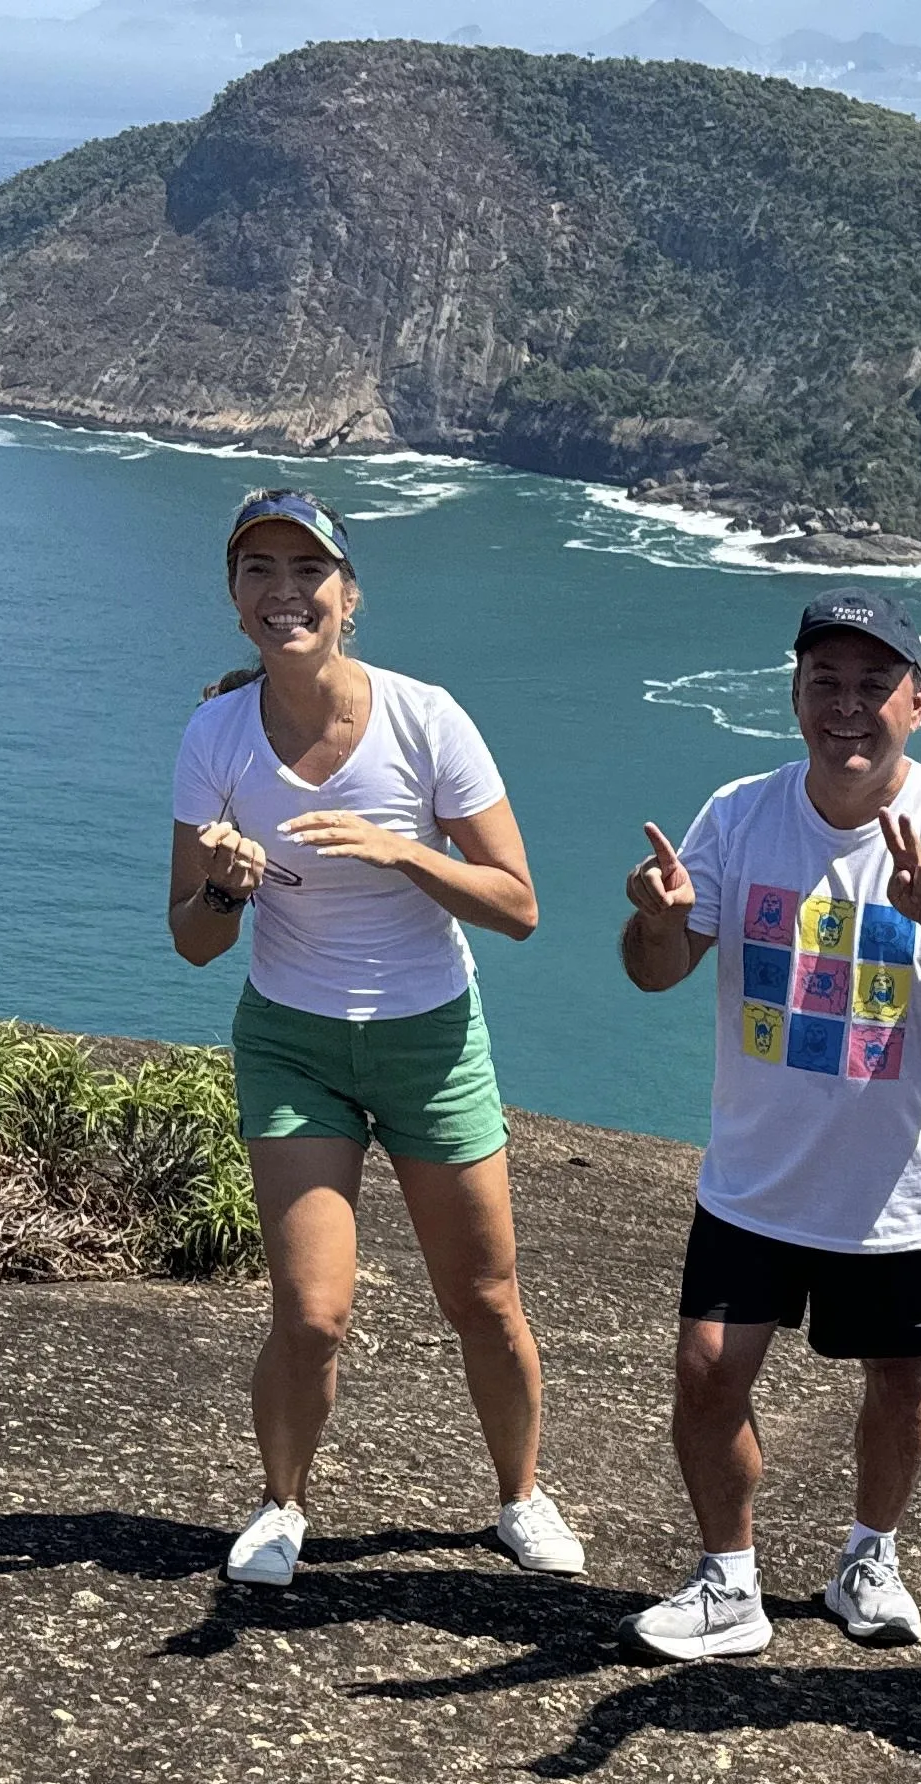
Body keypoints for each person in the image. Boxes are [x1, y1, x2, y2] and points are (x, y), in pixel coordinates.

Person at [617, 586, 921, 1661]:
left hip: (902, 1188)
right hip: (756, 1177)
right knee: (707, 1370)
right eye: (825, 683)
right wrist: (656, 919)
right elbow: (658, 971)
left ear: (919, 699)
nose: (846, 707)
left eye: (873, 685)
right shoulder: (738, 812)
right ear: (795, 693)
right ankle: (729, 1581)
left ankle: (871, 1553)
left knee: (900, 1384)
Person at [167, 488, 583, 1588]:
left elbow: (517, 903)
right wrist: (224, 890)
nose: (283, 591)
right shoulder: (215, 732)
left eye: (308, 570)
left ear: (349, 595)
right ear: (234, 599)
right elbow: (192, 941)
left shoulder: (423, 719)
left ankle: (519, 1493)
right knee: (310, 1312)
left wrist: (402, 852)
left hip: (430, 1040)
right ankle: (280, 1504)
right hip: (292, 1042)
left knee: (484, 1299)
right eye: (258, 569)